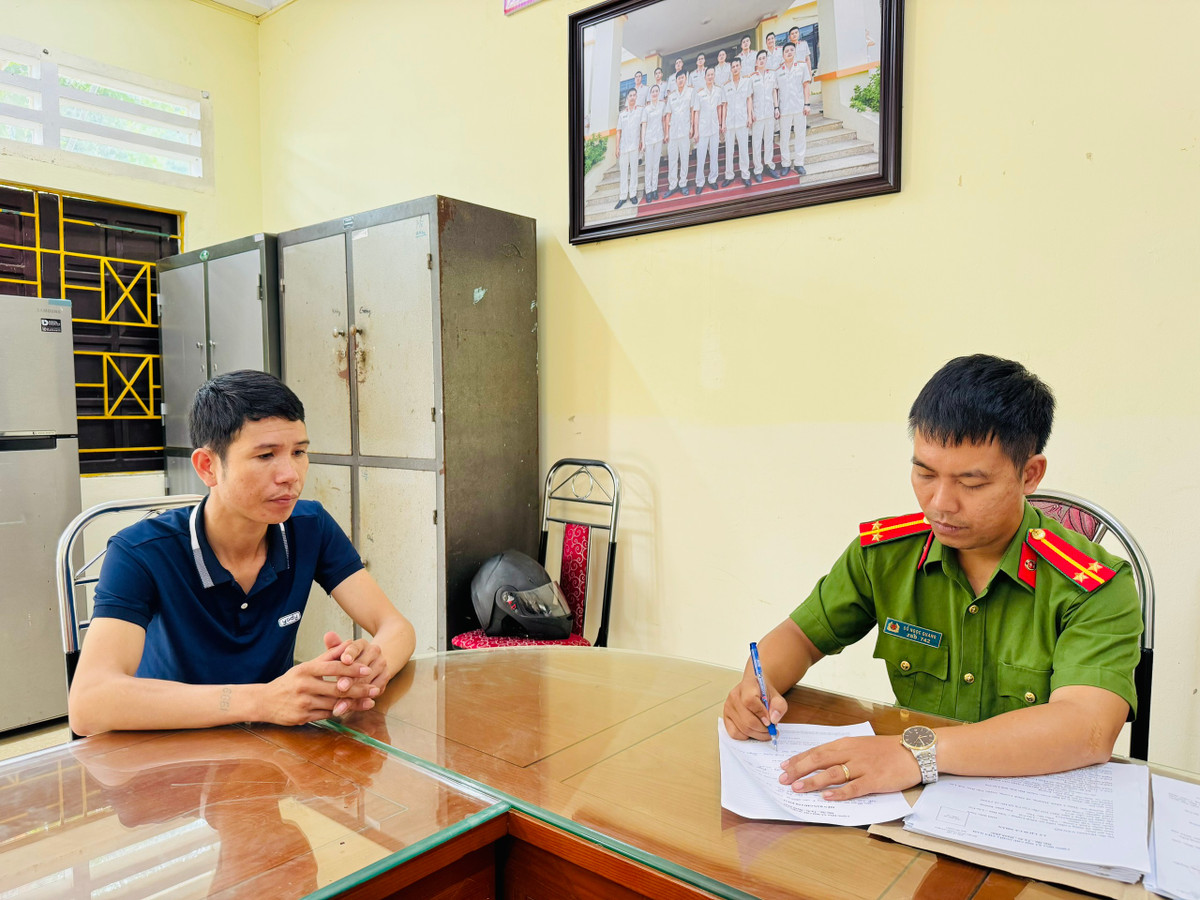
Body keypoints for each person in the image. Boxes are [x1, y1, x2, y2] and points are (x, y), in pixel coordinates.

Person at [723, 355, 1142, 801]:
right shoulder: (886, 555)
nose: (940, 503)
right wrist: (757, 684)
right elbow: (800, 636)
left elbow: (1087, 727)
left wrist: (914, 754)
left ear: (1029, 474)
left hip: (1028, 802)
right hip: (910, 802)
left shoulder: (1093, 585)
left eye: (972, 483)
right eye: (925, 473)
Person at [68, 370, 417, 735]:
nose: (291, 475)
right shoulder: (140, 552)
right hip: (168, 753)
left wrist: (367, 672)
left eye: (299, 452)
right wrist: (263, 700)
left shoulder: (309, 526)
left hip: (268, 753)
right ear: (208, 467)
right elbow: (90, 701)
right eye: (266, 455)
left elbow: (396, 627)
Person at [775, 41, 812, 177]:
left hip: (799, 106)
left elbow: (806, 86)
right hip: (784, 108)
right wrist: (776, 107)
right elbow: (776, 91)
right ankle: (785, 164)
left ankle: (799, 163)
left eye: (791, 50)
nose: (789, 52)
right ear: (783, 55)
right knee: (784, 137)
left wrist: (807, 104)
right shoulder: (778, 71)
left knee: (800, 135)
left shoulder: (801, 67)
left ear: (794, 52)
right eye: (786, 51)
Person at [691, 65, 724, 196]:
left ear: (714, 76)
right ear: (705, 78)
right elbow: (696, 113)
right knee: (701, 157)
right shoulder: (700, 94)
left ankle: (712, 179)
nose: (710, 77)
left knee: (714, 155)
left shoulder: (718, 91)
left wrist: (721, 124)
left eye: (712, 74)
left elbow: (719, 108)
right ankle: (699, 182)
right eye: (708, 75)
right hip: (703, 129)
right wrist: (696, 131)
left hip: (714, 128)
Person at [722, 57, 753, 188]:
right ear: (731, 69)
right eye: (733, 66)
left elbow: (749, 99)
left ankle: (745, 174)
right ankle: (729, 175)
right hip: (729, 122)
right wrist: (723, 123)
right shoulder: (726, 86)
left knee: (743, 149)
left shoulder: (746, 82)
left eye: (737, 66)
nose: (735, 68)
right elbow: (724, 105)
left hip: (742, 120)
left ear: (740, 67)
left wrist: (750, 116)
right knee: (729, 150)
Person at [662, 69, 694, 198]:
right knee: (673, 159)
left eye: (682, 78)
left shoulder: (690, 93)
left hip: (685, 130)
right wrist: (666, 133)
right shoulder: (672, 96)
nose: (680, 80)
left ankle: (683, 184)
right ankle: (672, 185)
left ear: (685, 79)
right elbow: (668, 115)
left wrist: (692, 127)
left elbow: (693, 111)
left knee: (685, 158)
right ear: (675, 81)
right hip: (673, 132)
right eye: (678, 78)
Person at [749, 49, 780, 181]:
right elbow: (749, 97)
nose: (761, 60)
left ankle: (769, 165)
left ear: (766, 60)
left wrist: (776, 107)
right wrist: (751, 113)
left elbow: (774, 92)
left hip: (769, 112)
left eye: (763, 58)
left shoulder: (771, 75)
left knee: (768, 140)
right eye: (759, 59)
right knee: (756, 142)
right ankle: (758, 169)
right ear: (756, 62)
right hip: (757, 114)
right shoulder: (752, 77)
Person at [615, 88, 642, 210]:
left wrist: (642, 141)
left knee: (634, 171)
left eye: (634, 95)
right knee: (624, 173)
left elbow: (643, 128)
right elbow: (618, 132)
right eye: (630, 95)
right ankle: (622, 196)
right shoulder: (622, 114)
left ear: (636, 97)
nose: (632, 97)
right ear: (627, 98)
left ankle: (633, 195)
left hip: (635, 146)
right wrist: (617, 148)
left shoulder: (640, 111)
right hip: (624, 147)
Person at [641, 84, 666, 203]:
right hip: (649, 139)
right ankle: (648, 190)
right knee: (649, 167)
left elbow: (664, 120)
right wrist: (643, 142)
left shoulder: (662, 105)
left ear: (659, 92)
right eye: (653, 91)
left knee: (656, 165)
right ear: (650, 94)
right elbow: (644, 126)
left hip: (659, 138)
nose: (655, 93)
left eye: (657, 91)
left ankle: (654, 189)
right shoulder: (646, 108)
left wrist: (666, 134)